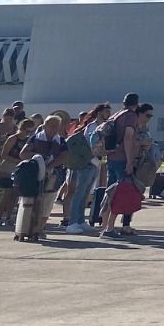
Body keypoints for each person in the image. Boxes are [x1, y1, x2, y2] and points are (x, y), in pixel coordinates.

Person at [102, 102, 153, 238]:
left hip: (112, 158)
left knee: (110, 193)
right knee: (121, 194)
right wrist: (130, 162)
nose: (149, 118)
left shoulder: (117, 115)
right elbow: (129, 138)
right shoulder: (131, 118)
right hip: (123, 161)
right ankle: (110, 228)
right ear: (138, 109)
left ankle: (105, 227)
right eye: (147, 115)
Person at [60, 104, 102, 234]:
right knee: (78, 194)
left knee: (84, 195)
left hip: (94, 164)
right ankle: (72, 222)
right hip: (83, 165)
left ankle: (80, 221)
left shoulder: (100, 129)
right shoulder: (85, 131)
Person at [23, 116, 66, 240]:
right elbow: (23, 153)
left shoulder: (61, 141)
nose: (54, 129)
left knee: (47, 202)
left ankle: (40, 228)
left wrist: (50, 165)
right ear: (45, 125)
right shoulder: (35, 139)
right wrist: (39, 158)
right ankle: (29, 227)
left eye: (57, 126)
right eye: (52, 125)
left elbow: (64, 156)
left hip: (53, 176)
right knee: (33, 201)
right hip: (34, 176)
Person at [0, 117, 35, 228]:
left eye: (30, 131)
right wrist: (18, 160)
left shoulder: (29, 141)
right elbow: (3, 155)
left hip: (20, 169)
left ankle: (9, 217)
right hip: (8, 167)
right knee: (6, 194)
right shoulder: (13, 138)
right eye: (27, 131)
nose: (28, 133)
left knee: (15, 195)